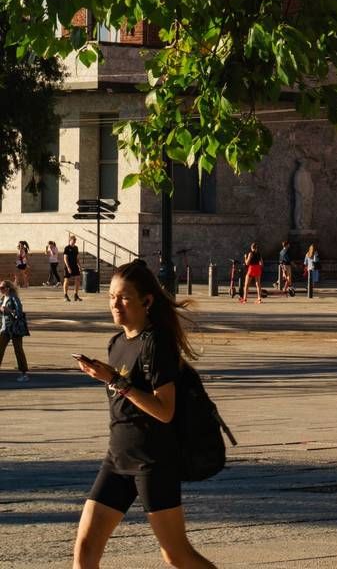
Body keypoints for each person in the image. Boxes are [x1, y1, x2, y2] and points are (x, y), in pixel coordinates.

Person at [71, 260, 217, 569]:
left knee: (176, 554)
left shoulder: (157, 344)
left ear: (146, 301)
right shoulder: (116, 343)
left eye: (124, 297)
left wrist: (115, 380)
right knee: (85, 550)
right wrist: (110, 377)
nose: (115, 304)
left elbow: (164, 411)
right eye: (111, 297)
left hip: (152, 462)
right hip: (117, 458)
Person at [1, 278, 30, 381]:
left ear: (8, 289)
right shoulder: (2, 298)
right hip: (5, 329)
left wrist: (8, 310)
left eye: (2, 288)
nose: (1, 290)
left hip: (15, 328)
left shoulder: (14, 298)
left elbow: (19, 313)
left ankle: (24, 373)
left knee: (18, 350)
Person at [64, 237, 84, 302]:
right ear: (70, 240)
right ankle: (65, 295)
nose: (74, 242)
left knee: (78, 279)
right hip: (68, 266)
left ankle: (76, 295)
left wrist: (79, 266)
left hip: (75, 266)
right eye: (73, 240)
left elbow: (77, 258)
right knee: (67, 280)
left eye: (75, 241)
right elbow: (65, 258)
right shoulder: (67, 248)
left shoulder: (76, 248)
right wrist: (68, 267)